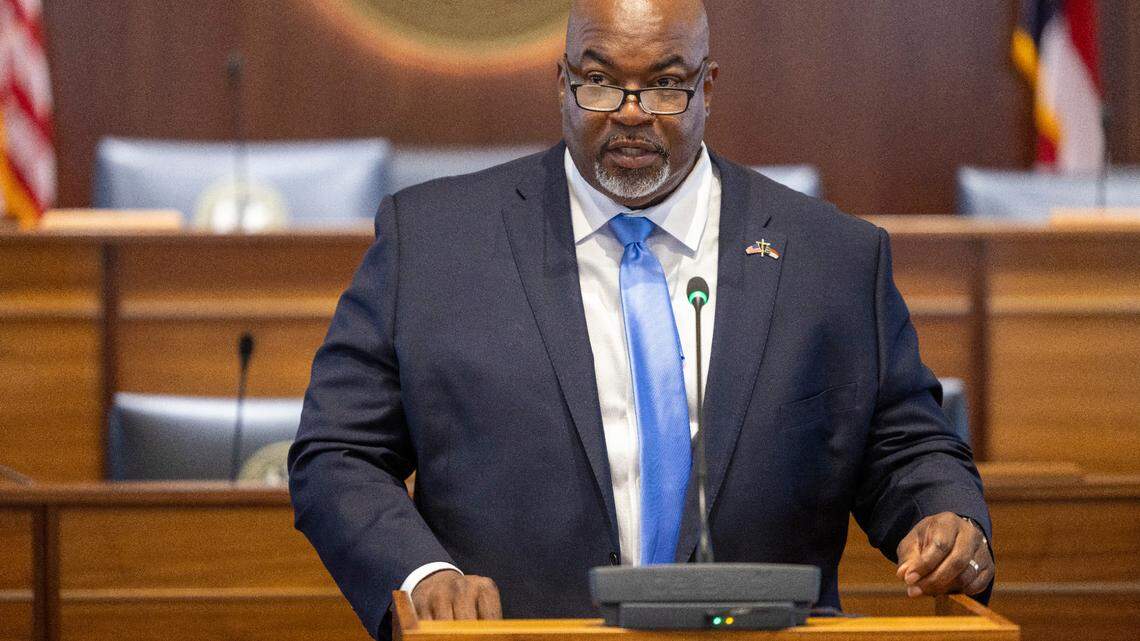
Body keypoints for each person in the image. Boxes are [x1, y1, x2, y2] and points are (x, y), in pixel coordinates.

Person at [288, 1, 994, 638]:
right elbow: (338, 452)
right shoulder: (436, 242)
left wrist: (943, 518)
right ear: (561, 83)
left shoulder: (831, 258)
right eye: (599, 81)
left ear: (707, 87)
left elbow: (903, 447)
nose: (631, 111)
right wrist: (420, 576)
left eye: (664, 84)